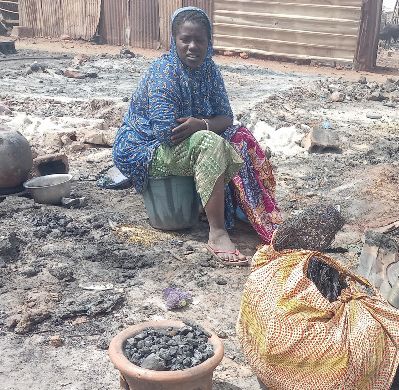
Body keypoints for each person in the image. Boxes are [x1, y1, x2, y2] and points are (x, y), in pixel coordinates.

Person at [113, 7, 282, 265]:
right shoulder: (164, 72)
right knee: (210, 143)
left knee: (241, 137)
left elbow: (226, 117)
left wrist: (200, 124)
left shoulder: (209, 70)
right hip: (146, 147)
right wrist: (203, 129)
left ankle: (251, 210)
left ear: (208, 42)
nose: (193, 46)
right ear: (174, 41)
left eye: (199, 40)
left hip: (185, 138)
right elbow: (167, 133)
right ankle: (217, 233)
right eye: (185, 39)